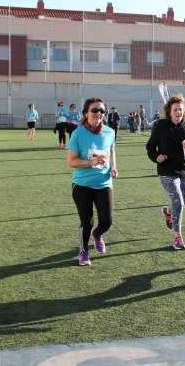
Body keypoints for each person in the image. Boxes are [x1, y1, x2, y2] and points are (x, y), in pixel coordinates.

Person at [67, 98, 118, 266]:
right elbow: (71, 162)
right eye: (95, 110)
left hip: (104, 183)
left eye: (102, 111)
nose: (99, 114)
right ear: (86, 113)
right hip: (82, 185)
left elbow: (111, 150)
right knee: (86, 222)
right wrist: (91, 162)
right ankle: (83, 251)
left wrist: (113, 167)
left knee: (107, 221)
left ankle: (97, 234)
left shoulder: (110, 132)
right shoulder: (78, 133)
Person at [146, 94, 185, 250]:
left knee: (181, 203)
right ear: (169, 112)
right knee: (178, 200)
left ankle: (168, 212)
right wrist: (156, 157)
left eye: (181, 110)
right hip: (167, 171)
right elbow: (150, 146)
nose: (178, 112)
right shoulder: (161, 126)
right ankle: (178, 238)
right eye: (175, 110)